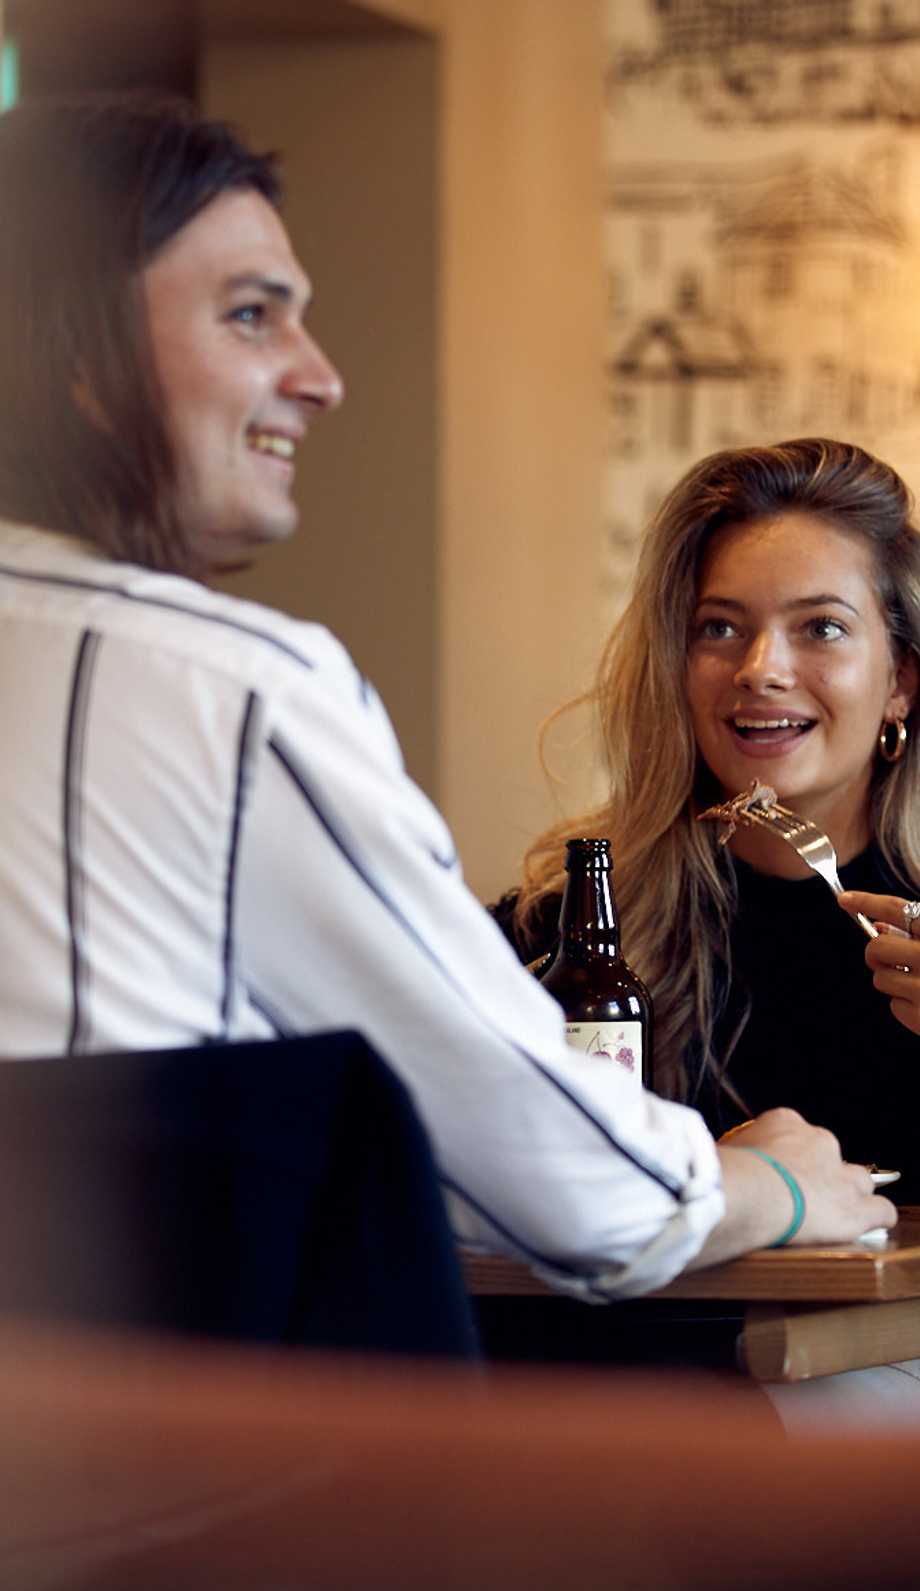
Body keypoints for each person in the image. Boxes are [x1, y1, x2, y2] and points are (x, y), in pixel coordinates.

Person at [0, 96, 891, 1310]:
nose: (321, 378)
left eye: (819, 629)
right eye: (252, 314)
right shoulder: (238, 695)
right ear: (79, 360)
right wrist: (772, 1185)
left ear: (902, 676)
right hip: (191, 1438)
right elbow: (565, 1187)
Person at [493, 437, 920, 1201]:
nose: (760, 668)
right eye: (718, 627)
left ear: (901, 681)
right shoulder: (572, 936)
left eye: (820, 626)